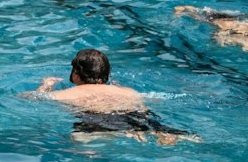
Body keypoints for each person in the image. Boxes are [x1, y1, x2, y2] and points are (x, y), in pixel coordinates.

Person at [32, 48, 190, 144]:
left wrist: (46, 85)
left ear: (77, 74)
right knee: (149, 128)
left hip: (100, 119)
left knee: (79, 140)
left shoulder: (70, 94)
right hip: (141, 116)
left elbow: (34, 98)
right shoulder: (127, 91)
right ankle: (163, 134)